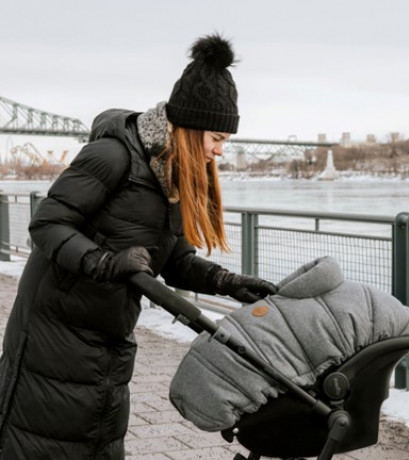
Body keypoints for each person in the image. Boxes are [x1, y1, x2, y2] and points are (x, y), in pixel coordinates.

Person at [0, 33, 277, 460]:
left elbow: (176, 262)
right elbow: (48, 223)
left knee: (99, 443)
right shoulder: (112, 157)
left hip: (108, 339)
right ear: (190, 128)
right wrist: (106, 263)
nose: (220, 151)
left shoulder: (172, 178)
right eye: (217, 139)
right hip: (54, 333)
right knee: (42, 443)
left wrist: (227, 281)